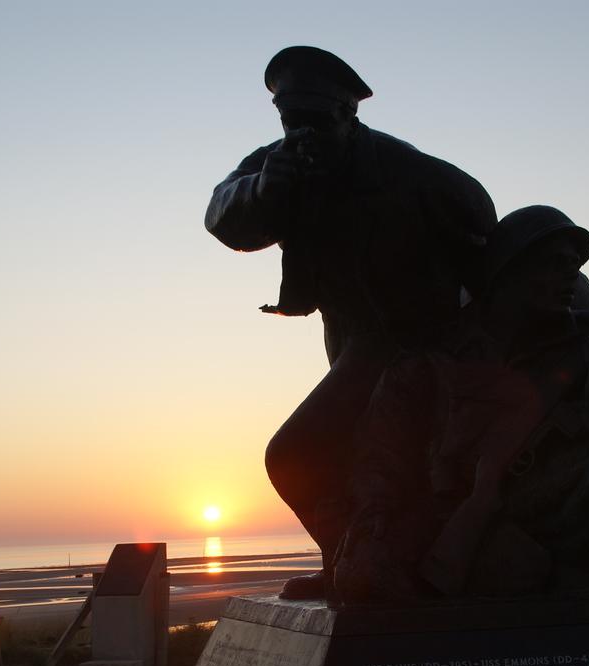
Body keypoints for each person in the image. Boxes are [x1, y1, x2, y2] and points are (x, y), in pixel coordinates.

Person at [205, 46, 496, 599]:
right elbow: (223, 217)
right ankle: (350, 560)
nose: (303, 135)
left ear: (347, 115)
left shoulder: (411, 173)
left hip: (422, 341)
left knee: (298, 453)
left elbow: (484, 229)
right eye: (292, 123)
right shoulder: (276, 164)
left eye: (315, 121)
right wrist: (267, 188)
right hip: (353, 341)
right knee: (347, 457)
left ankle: (370, 563)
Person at [334, 205, 589, 603]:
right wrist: (375, 523)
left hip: (550, 505)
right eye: (554, 263)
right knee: (367, 571)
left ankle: (564, 585)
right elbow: (380, 460)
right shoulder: (429, 361)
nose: (570, 274)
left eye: (573, 264)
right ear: (508, 270)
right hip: (444, 511)